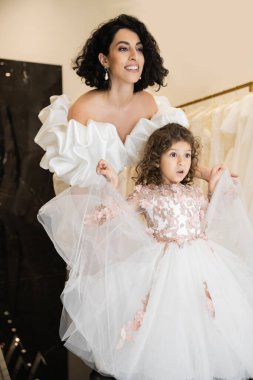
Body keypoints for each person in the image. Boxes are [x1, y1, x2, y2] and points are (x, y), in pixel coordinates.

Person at [38, 123, 253, 380]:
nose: (181, 162)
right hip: (164, 268)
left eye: (186, 155)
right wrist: (112, 185)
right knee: (168, 328)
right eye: (173, 154)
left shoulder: (194, 194)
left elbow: (208, 222)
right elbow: (112, 216)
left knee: (206, 324)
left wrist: (215, 191)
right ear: (156, 158)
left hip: (203, 265)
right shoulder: (146, 194)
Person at [34, 14, 212, 198]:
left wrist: (209, 174)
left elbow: (171, 155)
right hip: (93, 211)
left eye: (140, 49)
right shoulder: (83, 110)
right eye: (123, 49)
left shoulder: (151, 105)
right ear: (104, 59)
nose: (134, 56)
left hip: (139, 209)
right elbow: (75, 180)